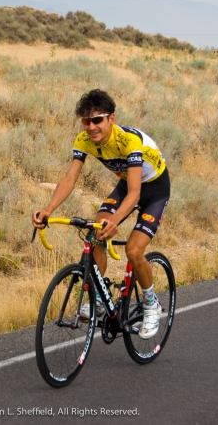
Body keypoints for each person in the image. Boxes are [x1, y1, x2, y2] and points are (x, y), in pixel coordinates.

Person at [32, 89, 170, 339]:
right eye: (86, 121)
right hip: (126, 184)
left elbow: (136, 193)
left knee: (134, 250)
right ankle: (97, 299)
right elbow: (69, 179)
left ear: (111, 119)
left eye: (97, 120)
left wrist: (116, 221)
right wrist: (48, 210)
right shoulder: (84, 140)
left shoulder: (129, 141)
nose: (91, 127)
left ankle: (152, 305)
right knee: (97, 230)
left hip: (154, 189)